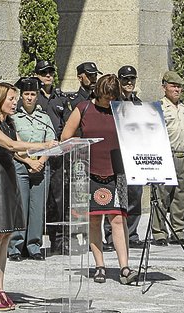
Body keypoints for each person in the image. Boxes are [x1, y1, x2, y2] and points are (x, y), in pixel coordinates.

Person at [0, 82, 57, 310]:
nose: (15, 102)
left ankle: (0, 287)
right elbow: (9, 144)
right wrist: (43, 143)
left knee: (5, 236)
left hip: (10, 179)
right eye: (11, 98)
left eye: (15, 98)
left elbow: (15, 151)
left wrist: (36, 157)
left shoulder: (8, 123)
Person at [61, 74, 138, 285]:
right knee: (95, 220)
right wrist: (82, 143)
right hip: (90, 172)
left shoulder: (122, 109)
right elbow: (65, 136)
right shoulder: (83, 108)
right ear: (98, 92)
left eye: (112, 98)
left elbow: (136, 136)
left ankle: (124, 267)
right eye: (105, 97)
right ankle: (99, 266)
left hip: (117, 173)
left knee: (118, 220)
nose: (108, 102)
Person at [7, 78, 55, 261]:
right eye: (26, 94)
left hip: (41, 165)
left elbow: (51, 142)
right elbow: (13, 146)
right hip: (21, 164)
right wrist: (29, 162)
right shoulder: (14, 118)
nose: (29, 98)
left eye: (32, 94)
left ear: (37, 96)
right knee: (21, 206)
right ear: (21, 96)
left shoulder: (44, 117)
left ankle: (34, 246)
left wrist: (41, 161)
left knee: (37, 208)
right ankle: (15, 247)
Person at [103, 65, 145, 250]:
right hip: (117, 155)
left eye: (132, 79)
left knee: (135, 195)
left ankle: (132, 233)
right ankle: (112, 235)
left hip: (135, 155)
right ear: (119, 81)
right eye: (125, 79)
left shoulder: (138, 103)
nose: (129, 83)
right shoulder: (114, 103)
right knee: (115, 197)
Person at [152, 71, 184, 246]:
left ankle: (178, 231)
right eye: (173, 86)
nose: (177, 89)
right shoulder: (159, 108)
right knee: (162, 195)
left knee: (181, 196)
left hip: (183, 156)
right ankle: (159, 233)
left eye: (179, 87)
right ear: (164, 87)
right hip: (166, 155)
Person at [33, 60, 73, 255]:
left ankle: (59, 242)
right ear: (37, 75)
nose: (48, 75)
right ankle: (34, 242)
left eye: (50, 72)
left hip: (58, 153)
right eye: (44, 72)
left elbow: (67, 122)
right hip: (39, 153)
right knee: (40, 200)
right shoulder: (33, 96)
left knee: (59, 199)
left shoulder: (60, 97)